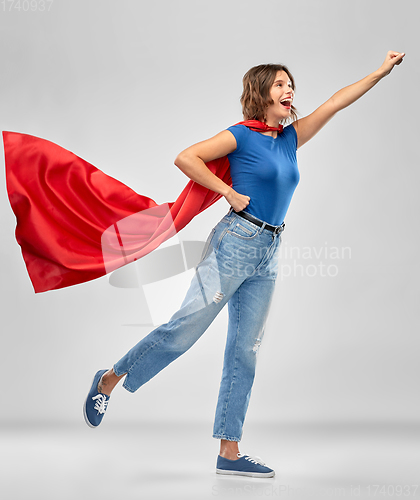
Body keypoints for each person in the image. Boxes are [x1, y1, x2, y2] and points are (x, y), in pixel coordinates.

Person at [83, 51, 405, 478]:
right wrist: (228, 192)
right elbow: (186, 157)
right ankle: (110, 378)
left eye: (291, 84)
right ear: (261, 94)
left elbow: (335, 102)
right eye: (279, 84)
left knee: (245, 351)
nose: (288, 90)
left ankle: (229, 453)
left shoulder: (290, 138)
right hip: (236, 241)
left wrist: (380, 72)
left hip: (270, 248)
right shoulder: (242, 135)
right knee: (185, 328)